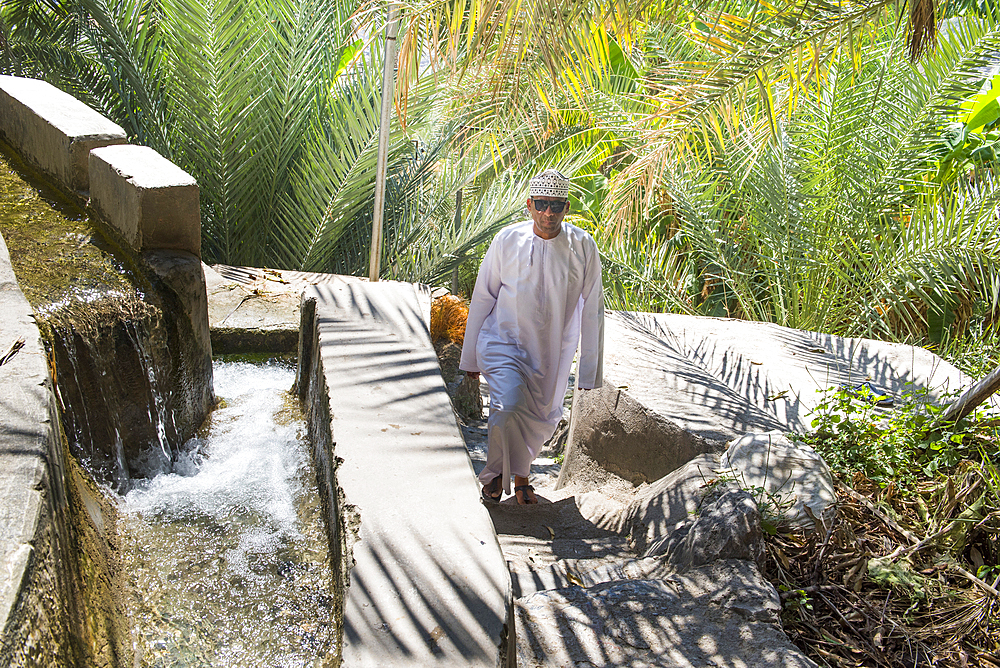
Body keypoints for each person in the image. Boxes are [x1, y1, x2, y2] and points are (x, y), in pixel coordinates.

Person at [460, 169, 604, 505]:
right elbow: (483, 296)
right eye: (541, 205)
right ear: (529, 205)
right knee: (508, 406)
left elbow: (593, 305)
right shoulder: (507, 241)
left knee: (538, 417)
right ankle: (497, 472)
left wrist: (589, 370)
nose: (548, 214)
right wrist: (470, 358)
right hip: (502, 341)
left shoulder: (583, 246)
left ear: (566, 207)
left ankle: (521, 474)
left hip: (550, 352)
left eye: (556, 206)